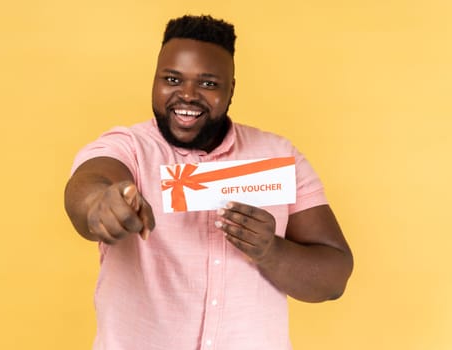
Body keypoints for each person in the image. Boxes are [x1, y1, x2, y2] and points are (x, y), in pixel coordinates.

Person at [64, 14, 353, 350]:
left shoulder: (278, 157)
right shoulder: (127, 147)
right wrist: (101, 204)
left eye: (208, 83)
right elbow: (89, 185)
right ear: (155, 80)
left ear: (231, 89)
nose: (187, 95)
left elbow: (334, 278)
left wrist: (271, 250)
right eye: (172, 79)